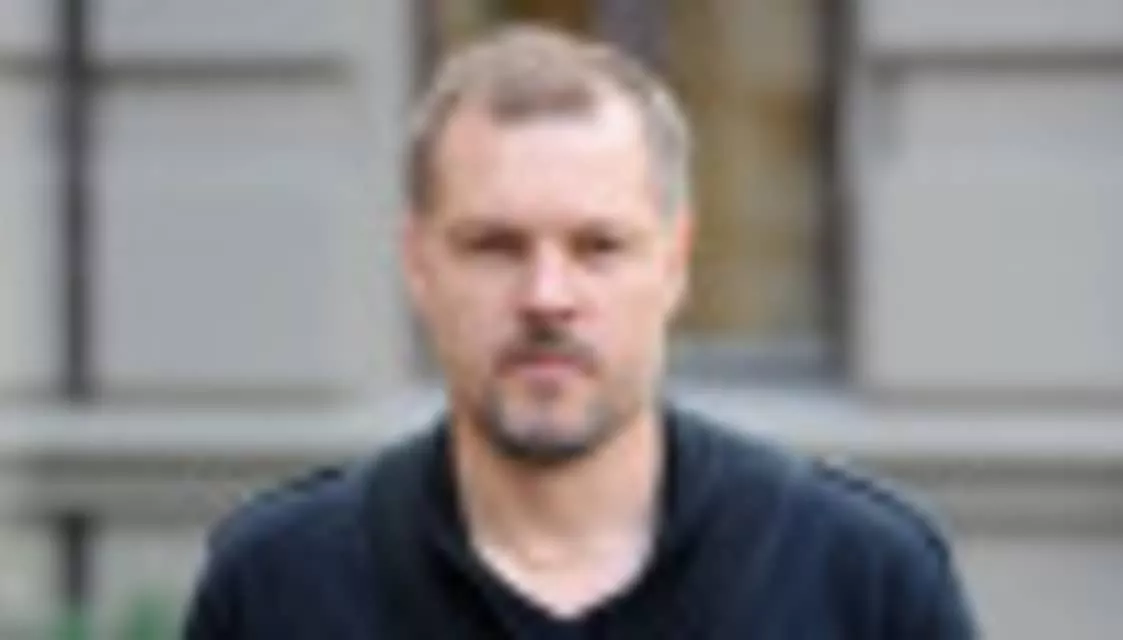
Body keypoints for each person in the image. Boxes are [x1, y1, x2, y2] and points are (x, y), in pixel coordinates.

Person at [184, 24, 977, 639]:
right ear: (418, 264)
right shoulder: (278, 584)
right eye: (494, 246)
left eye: (598, 247)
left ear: (674, 263)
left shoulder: (862, 579)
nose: (546, 298)